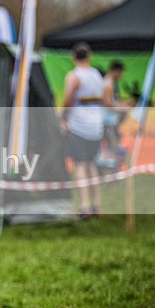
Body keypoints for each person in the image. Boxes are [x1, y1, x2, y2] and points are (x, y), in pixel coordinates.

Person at [61, 42, 104, 219]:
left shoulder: (74, 76)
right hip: (96, 126)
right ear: (89, 56)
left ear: (73, 57)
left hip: (79, 126)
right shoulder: (96, 75)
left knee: (79, 166)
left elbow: (68, 100)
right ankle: (97, 206)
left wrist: (63, 117)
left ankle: (85, 207)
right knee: (91, 165)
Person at [100, 60, 133, 168]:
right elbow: (108, 104)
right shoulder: (108, 84)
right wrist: (123, 108)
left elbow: (113, 102)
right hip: (107, 121)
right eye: (121, 73)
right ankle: (111, 169)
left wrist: (124, 103)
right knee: (112, 146)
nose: (121, 76)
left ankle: (113, 168)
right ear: (115, 71)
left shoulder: (111, 83)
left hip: (111, 121)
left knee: (113, 146)